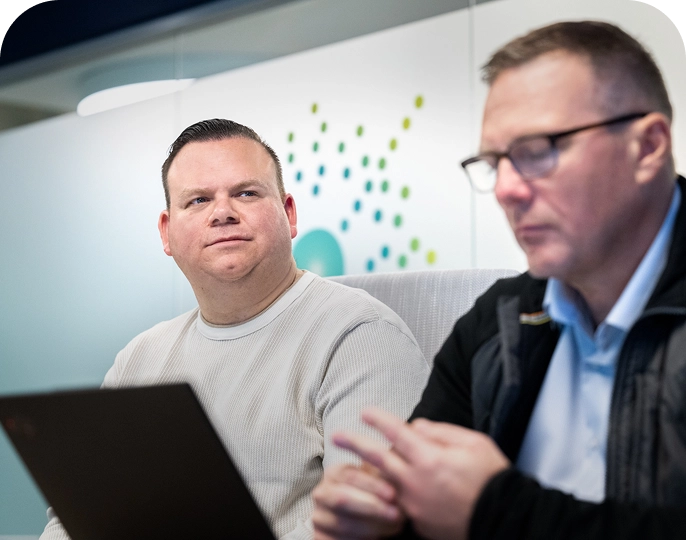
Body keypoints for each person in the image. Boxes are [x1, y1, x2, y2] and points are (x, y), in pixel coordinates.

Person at [311, 20, 686, 540]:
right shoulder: (500, 321)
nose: (507, 189)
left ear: (647, 147)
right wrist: (380, 518)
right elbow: (419, 504)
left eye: (537, 151)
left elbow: (480, 511)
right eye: (495, 162)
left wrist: (496, 512)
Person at [40, 119, 429, 540]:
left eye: (246, 193)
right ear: (167, 233)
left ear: (289, 213)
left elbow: (363, 526)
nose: (222, 212)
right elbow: (74, 515)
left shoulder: (359, 338)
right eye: (198, 200)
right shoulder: (139, 359)